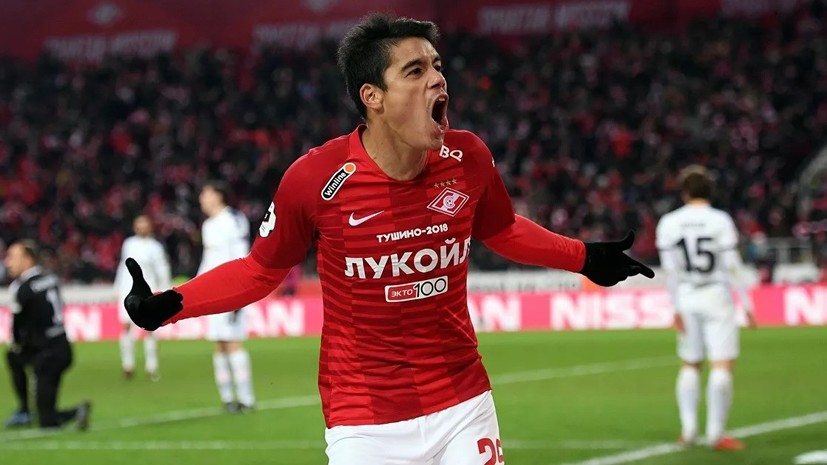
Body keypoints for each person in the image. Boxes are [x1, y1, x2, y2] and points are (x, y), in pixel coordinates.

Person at [123, 14, 653, 465]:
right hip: (363, 419)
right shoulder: (314, 179)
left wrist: (585, 257)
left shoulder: (468, 157)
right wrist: (172, 304)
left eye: (437, 66)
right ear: (372, 96)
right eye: (415, 71)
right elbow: (261, 271)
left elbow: (503, 229)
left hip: (463, 399)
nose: (437, 79)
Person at [656, 165, 756, 450]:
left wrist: (674, 306)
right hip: (716, 296)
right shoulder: (720, 220)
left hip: (687, 296)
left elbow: (669, 271)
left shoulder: (669, 222)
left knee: (690, 363)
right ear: (710, 190)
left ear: (684, 192)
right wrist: (746, 303)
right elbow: (732, 265)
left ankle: (688, 430)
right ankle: (716, 433)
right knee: (721, 364)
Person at [3, 240, 91, 430]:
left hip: (45, 353)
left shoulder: (22, 288)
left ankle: (68, 412)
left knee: (47, 421)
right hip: (60, 346)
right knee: (13, 357)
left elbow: (19, 325)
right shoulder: (50, 278)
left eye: (12, 257)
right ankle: (28, 410)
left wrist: (19, 344)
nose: (7, 262)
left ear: (28, 259)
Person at [197, 181, 256, 412]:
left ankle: (247, 399)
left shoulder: (233, 219)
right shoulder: (208, 225)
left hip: (231, 290)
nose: (202, 199)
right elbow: (208, 260)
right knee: (219, 343)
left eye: (205, 193)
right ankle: (228, 398)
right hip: (212, 292)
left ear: (217, 195)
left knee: (233, 342)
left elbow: (241, 255)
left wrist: (240, 290)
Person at [113, 215, 171, 381]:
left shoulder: (156, 247)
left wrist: (165, 289)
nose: (142, 227)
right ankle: (128, 365)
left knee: (150, 328)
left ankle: (151, 366)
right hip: (127, 290)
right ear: (135, 227)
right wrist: (116, 286)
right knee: (126, 326)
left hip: (148, 290)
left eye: (144, 224)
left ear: (150, 227)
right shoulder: (128, 243)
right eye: (139, 224)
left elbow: (162, 269)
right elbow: (122, 266)